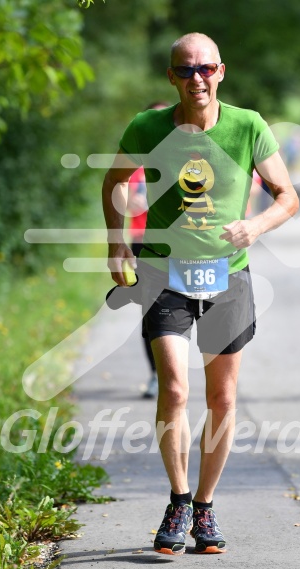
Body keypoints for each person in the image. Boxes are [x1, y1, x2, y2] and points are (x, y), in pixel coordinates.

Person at [102, 32, 298, 555]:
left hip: (227, 274)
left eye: (206, 69)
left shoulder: (247, 125)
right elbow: (116, 182)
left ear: (221, 72)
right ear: (171, 77)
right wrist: (117, 241)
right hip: (164, 272)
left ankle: (205, 507)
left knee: (222, 397)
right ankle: (178, 498)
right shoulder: (148, 126)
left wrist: (254, 228)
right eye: (186, 70)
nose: (197, 79)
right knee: (175, 388)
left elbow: (288, 196)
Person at [127, 101, 170, 398]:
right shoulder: (136, 166)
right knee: (152, 311)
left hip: (183, 243)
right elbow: (126, 202)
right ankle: (157, 375)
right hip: (145, 241)